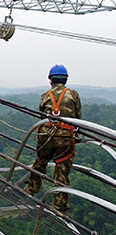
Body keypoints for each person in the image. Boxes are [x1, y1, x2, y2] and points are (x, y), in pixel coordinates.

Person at [24, 64, 81, 216]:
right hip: (65, 136)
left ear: (51, 80)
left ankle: (32, 187)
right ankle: (60, 206)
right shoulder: (73, 94)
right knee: (61, 169)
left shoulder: (45, 95)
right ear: (66, 80)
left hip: (47, 133)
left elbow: (42, 116)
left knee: (40, 161)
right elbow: (78, 118)